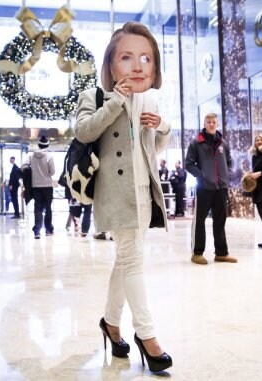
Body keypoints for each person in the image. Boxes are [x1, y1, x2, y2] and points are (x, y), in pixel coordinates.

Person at [74, 21, 172, 372]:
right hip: (115, 194)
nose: (136, 65)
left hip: (145, 193)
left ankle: (110, 324)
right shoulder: (95, 96)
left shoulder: (151, 98)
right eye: (126, 57)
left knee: (125, 259)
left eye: (145, 58)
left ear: (155, 66)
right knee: (132, 262)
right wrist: (116, 100)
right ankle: (148, 337)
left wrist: (160, 125)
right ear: (111, 65)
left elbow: (157, 148)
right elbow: (84, 132)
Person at [185, 113, 237, 265]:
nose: (211, 124)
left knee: (220, 221)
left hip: (221, 188)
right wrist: (202, 176)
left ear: (217, 124)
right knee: (200, 221)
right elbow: (189, 164)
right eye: (209, 122)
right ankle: (197, 253)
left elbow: (229, 161)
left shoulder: (223, 143)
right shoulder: (196, 143)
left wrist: (227, 176)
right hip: (204, 188)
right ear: (204, 124)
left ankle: (221, 253)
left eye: (214, 122)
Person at [29, 135, 56, 238]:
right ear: (47, 145)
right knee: (48, 208)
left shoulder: (32, 156)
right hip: (47, 186)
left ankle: (37, 231)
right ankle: (48, 229)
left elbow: (24, 167)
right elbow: (52, 172)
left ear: (39, 145)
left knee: (38, 208)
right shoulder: (49, 156)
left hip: (35, 186)